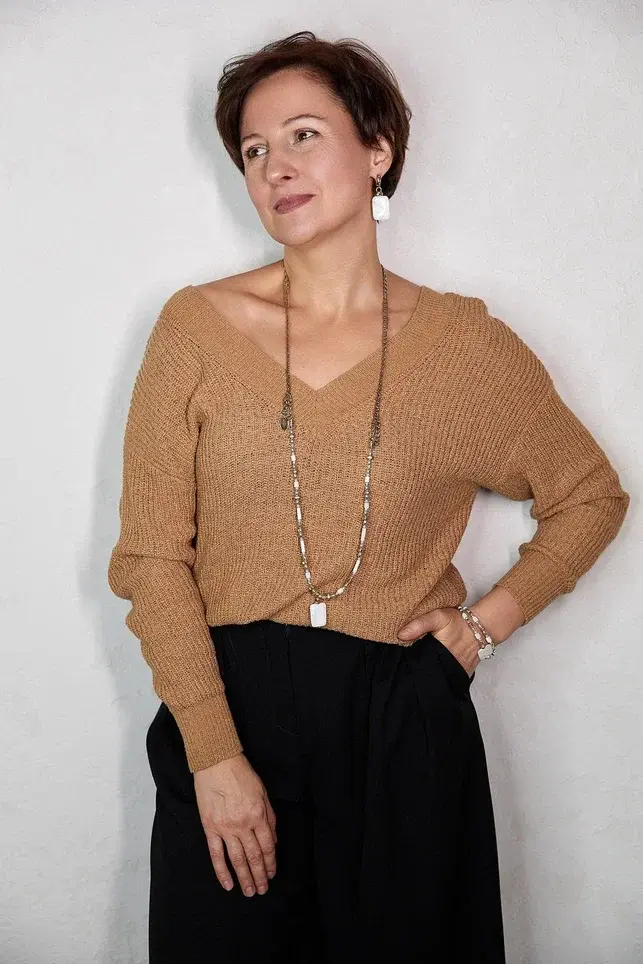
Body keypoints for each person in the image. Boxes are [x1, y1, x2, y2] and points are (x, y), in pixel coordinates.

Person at [107, 30, 630, 964]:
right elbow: (150, 556)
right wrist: (213, 754)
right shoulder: (194, 329)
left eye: (303, 135)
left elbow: (590, 495)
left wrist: (484, 625)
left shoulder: (464, 347)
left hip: (402, 721)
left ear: (377, 150)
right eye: (254, 151)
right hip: (229, 708)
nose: (275, 167)